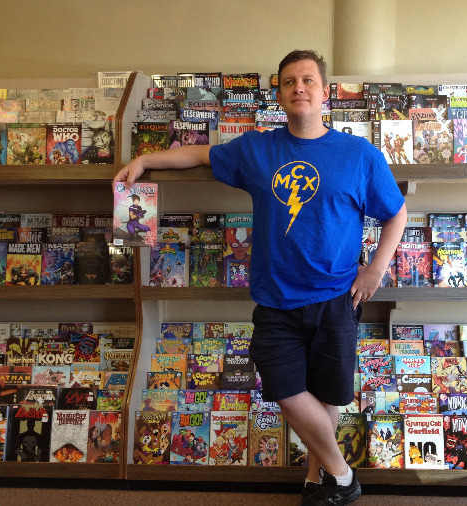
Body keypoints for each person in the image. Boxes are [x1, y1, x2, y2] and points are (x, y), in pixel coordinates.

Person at [114, 49, 407, 505]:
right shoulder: (257, 149)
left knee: (326, 395)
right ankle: (343, 474)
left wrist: (375, 270)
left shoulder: (359, 155)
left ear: (324, 93)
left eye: (308, 80)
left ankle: (319, 481)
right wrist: (145, 159)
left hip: (336, 297)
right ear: (280, 94)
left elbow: (396, 213)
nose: (299, 88)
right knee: (287, 392)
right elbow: (198, 154)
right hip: (276, 301)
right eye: (289, 82)